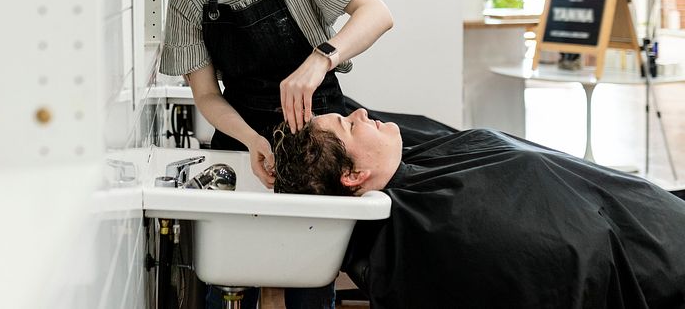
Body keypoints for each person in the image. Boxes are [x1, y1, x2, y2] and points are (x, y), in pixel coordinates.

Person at [151, 0, 396, 308]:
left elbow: (377, 13)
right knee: (230, 279)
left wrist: (322, 59)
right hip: (244, 141)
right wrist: (250, 140)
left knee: (309, 277)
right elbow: (206, 95)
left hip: (320, 141)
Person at [272, 109, 685, 309]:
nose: (362, 114)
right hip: (663, 255)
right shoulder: (440, 227)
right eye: (348, 123)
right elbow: (576, 253)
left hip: (650, 212)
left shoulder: (417, 170)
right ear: (353, 176)